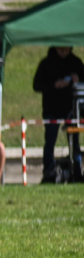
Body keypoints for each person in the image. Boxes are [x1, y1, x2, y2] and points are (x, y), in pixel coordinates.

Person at [33, 47, 84, 182]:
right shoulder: (46, 63)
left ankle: (77, 172)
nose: (64, 52)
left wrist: (78, 81)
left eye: (66, 49)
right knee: (50, 141)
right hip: (51, 109)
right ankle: (49, 172)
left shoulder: (76, 63)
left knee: (74, 142)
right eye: (61, 49)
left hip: (71, 109)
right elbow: (37, 85)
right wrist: (54, 85)